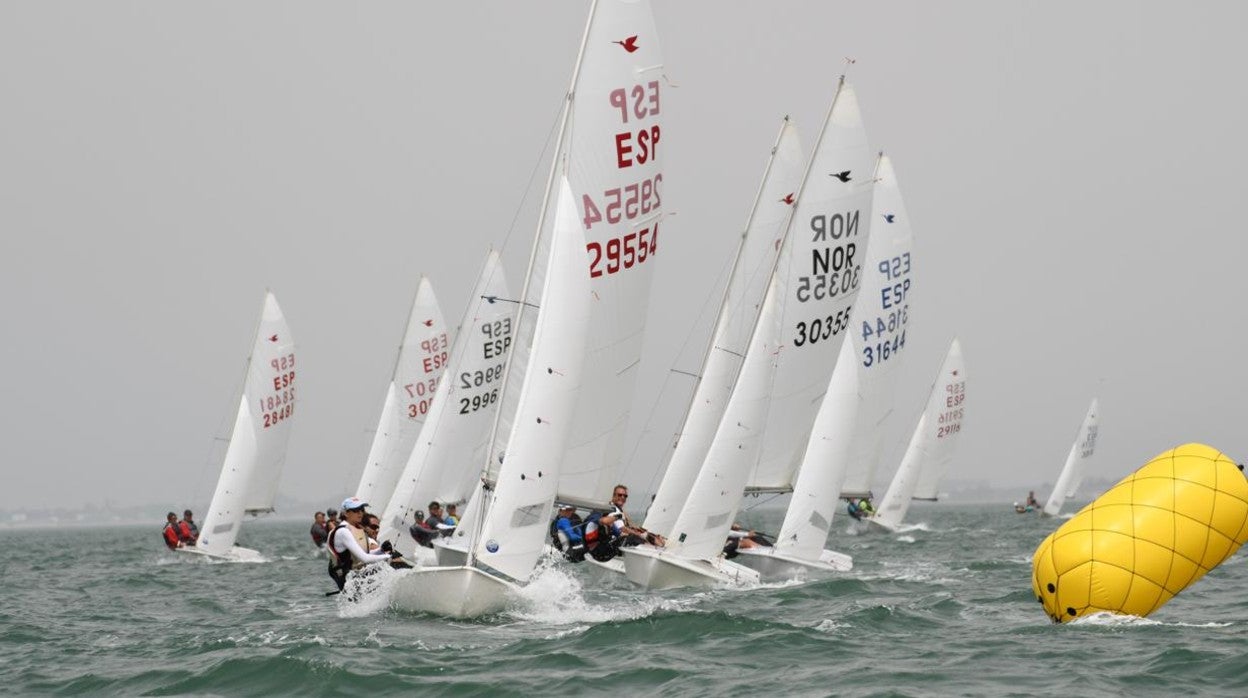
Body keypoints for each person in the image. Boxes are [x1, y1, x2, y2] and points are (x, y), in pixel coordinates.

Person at [327, 497, 400, 591]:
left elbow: (362, 556)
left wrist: (381, 550)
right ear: (345, 513)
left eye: (362, 510)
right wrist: (388, 556)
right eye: (355, 510)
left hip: (354, 576)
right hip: (347, 578)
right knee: (390, 569)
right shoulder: (343, 532)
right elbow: (364, 558)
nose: (360, 513)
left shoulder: (352, 529)